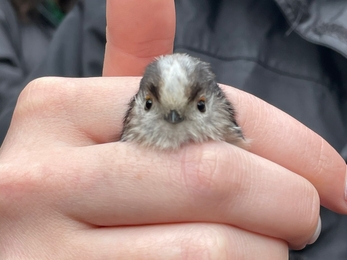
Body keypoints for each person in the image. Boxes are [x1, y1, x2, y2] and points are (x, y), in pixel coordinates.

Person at [0, 0, 346, 259]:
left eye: (196, 108)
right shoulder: (99, 22)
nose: (174, 122)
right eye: (152, 107)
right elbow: (26, 157)